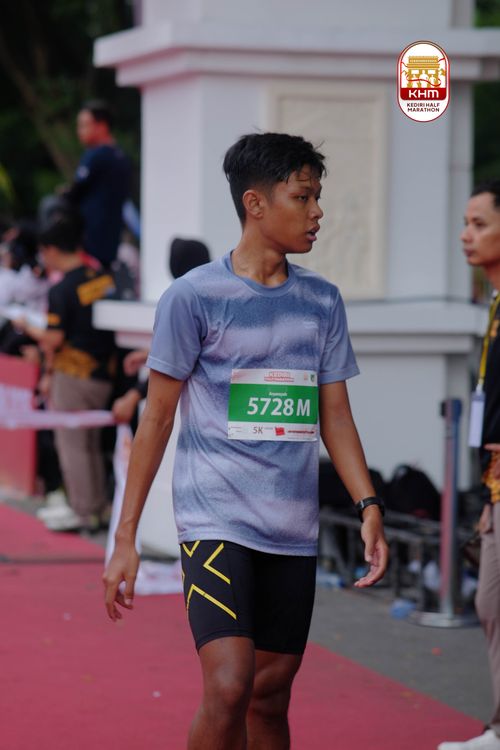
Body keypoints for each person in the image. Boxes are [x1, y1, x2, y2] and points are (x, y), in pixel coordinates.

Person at [103, 132, 388, 750]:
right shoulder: (193, 297)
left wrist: (368, 504)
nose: (317, 212)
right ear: (255, 203)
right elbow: (156, 419)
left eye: (317, 197)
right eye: (303, 197)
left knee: (270, 695)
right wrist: (126, 537)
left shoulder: (321, 301)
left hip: (292, 527)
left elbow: (335, 416)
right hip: (215, 519)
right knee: (231, 684)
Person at [438, 181, 500, 750]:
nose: (465, 235)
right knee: (488, 602)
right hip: (495, 485)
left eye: (479, 224)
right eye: (466, 223)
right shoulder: (494, 303)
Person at [16, 210, 117, 532]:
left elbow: (54, 338)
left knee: (73, 446)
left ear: (51, 250)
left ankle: (83, 512)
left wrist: (26, 327)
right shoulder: (101, 277)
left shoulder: (61, 290)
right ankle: (99, 508)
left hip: (73, 376)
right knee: (91, 444)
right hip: (104, 375)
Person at [63, 100, 131, 268]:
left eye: (84, 125)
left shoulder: (97, 155)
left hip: (91, 241)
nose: (79, 131)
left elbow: (75, 192)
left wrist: (65, 194)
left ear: (102, 126)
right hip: (111, 238)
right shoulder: (120, 155)